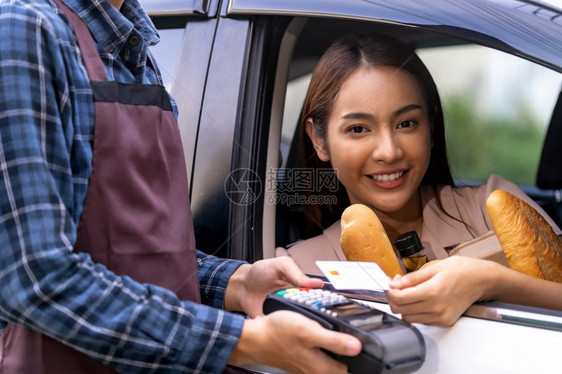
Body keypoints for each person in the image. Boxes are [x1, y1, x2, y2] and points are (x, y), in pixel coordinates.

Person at [0, 1, 363, 372]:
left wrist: (239, 282)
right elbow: (33, 277)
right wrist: (242, 341)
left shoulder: (139, 51)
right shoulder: (26, 29)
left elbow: (144, 260)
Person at [276, 33, 562, 326]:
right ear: (319, 141)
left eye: (406, 123)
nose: (389, 151)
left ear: (431, 126)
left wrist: (493, 282)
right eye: (359, 129)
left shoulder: (494, 207)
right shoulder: (300, 269)